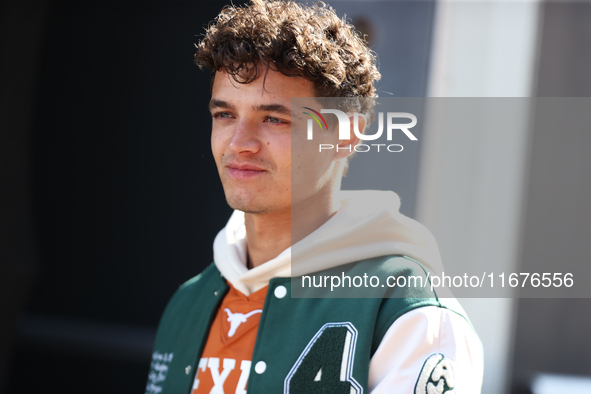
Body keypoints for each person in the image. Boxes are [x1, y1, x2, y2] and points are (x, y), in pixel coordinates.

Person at [145, 1, 483, 393]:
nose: (239, 144)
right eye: (225, 115)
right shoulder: (189, 302)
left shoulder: (409, 313)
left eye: (274, 118)